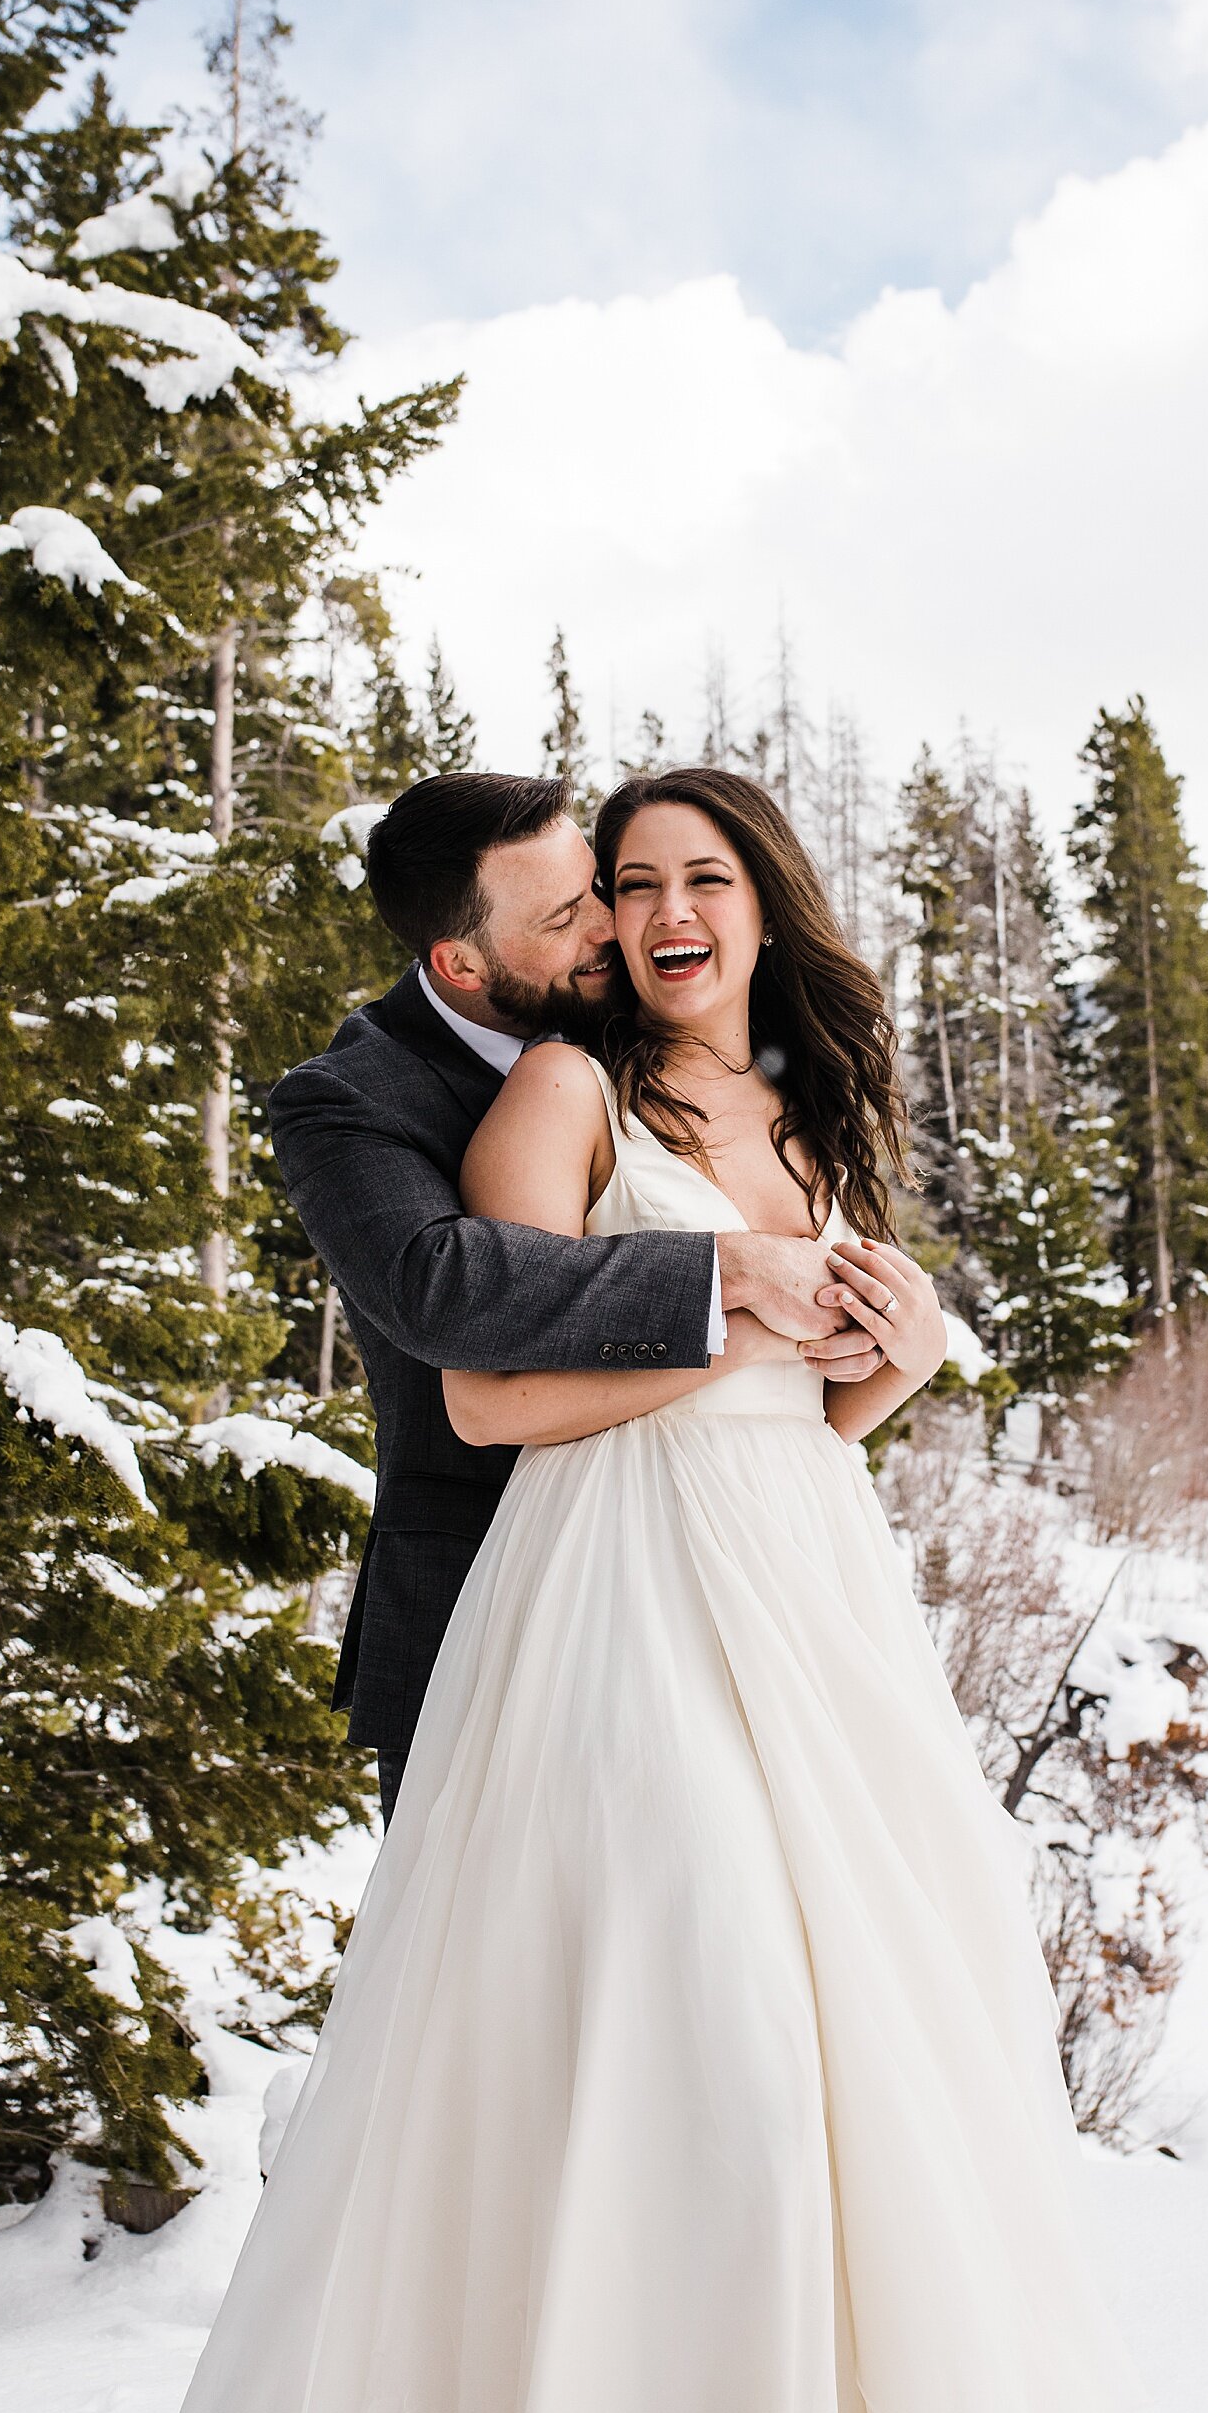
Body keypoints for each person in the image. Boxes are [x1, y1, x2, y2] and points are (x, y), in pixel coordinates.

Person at [130, 767, 1149, 2413]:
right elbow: (477, 1362)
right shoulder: (506, 1086)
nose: (632, 922)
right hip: (579, 1605)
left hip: (805, 1603)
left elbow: (822, 1416)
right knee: (663, 2054)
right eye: (603, 893)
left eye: (684, 883)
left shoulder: (809, 1107)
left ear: (765, 900)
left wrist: (897, 1341)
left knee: (868, 2046)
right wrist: (731, 1294)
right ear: (476, 945)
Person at [267, 771, 884, 1824]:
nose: (615, 926)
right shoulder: (352, 1101)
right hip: (486, 1589)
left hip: (746, 1571)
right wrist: (729, 1272)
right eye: (570, 915)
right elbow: (442, 1287)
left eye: (600, 887)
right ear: (462, 962)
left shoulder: (652, 1035)